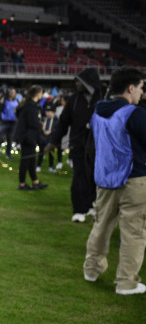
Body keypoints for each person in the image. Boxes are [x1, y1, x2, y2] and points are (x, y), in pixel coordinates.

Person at [83, 66, 146, 295]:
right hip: (134, 180)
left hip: (104, 179)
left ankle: (91, 270)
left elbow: (91, 147)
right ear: (131, 88)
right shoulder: (134, 114)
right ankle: (126, 283)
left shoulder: (97, 112)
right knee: (134, 233)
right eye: (141, 88)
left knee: (101, 226)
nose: (142, 93)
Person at [44, 68, 104, 223]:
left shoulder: (104, 97)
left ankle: (92, 205)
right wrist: (53, 142)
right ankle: (78, 209)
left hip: (99, 147)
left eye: (80, 81)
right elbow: (63, 123)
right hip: (78, 146)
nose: (77, 84)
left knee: (95, 177)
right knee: (79, 177)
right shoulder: (74, 100)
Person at [13, 85, 48, 191]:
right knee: (26, 161)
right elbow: (32, 122)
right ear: (37, 94)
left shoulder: (30, 105)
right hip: (28, 137)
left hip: (29, 137)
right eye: (41, 93)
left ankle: (35, 182)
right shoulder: (31, 106)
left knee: (31, 160)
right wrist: (40, 126)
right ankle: (22, 184)